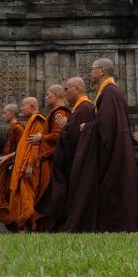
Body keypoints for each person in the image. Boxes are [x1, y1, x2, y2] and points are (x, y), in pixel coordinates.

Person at [66, 59, 138, 232]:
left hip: (113, 151)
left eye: (92, 69)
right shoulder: (111, 91)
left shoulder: (109, 92)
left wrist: (88, 126)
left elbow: (106, 124)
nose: (90, 72)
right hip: (117, 148)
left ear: (101, 71)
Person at [36, 76, 94, 231]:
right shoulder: (78, 109)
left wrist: (65, 127)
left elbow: (77, 137)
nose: (65, 93)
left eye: (67, 89)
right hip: (70, 162)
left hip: (76, 162)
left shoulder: (84, 108)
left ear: (77, 88)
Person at [31, 84, 69, 228]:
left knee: (50, 192)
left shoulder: (61, 112)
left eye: (48, 94)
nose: (45, 97)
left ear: (57, 95)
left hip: (53, 160)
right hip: (48, 159)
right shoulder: (53, 113)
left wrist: (41, 137)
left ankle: (52, 224)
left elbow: (59, 135)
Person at [8, 96, 48, 231]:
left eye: (23, 105)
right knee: (21, 198)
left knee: (28, 198)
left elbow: (35, 146)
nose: (21, 109)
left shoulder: (37, 121)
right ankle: (25, 227)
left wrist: (30, 165)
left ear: (32, 106)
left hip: (30, 168)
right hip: (23, 167)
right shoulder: (30, 122)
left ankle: (33, 226)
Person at [0, 102, 23, 229]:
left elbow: (23, 149)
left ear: (13, 113)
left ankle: (19, 226)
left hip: (13, 169)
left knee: (7, 199)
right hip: (8, 168)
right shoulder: (11, 129)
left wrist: (7, 158)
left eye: (5, 112)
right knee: (1, 200)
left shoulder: (18, 128)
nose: (3, 115)